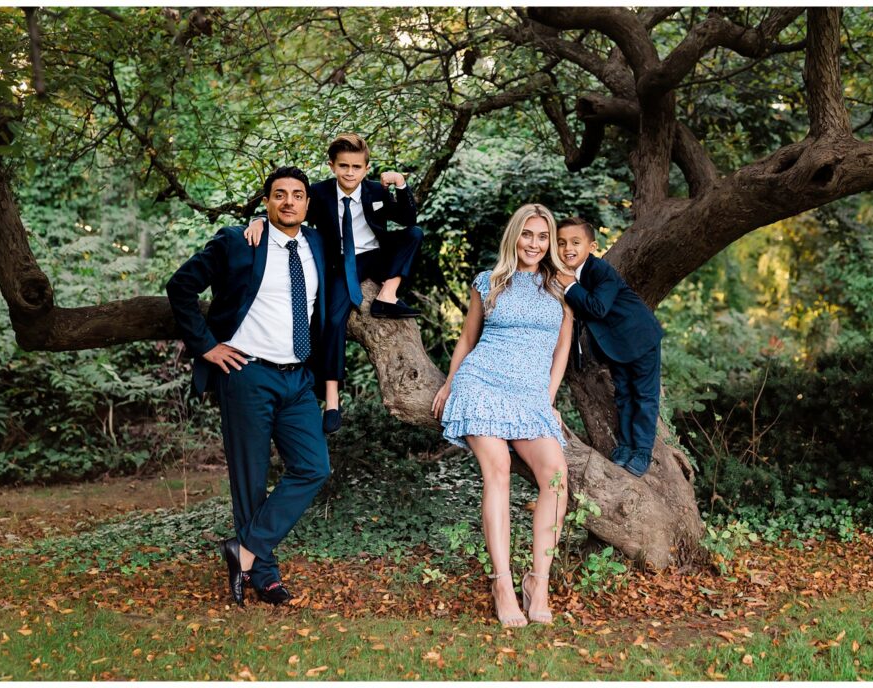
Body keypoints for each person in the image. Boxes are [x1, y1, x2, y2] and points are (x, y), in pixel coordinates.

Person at [167, 167, 330, 606]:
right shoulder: (238, 241)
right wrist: (206, 347)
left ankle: (243, 550)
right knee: (250, 480)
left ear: (308, 204)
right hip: (247, 374)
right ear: (267, 201)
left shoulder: (316, 243)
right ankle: (265, 576)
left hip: (298, 377)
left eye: (298, 195)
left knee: (315, 467)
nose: (289, 202)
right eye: (280, 195)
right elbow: (180, 287)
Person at [432, 203, 572, 627]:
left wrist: (547, 400)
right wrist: (450, 382)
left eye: (543, 236)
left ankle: (539, 582)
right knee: (499, 468)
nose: (535, 243)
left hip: (530, 395)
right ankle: (502, 584)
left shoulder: (562, 288)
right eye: (528, 234)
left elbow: (561, 349)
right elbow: (468, 337)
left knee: (556, 478)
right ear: (515, 236)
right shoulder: (489, 281)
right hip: (483, 383)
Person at [245, 133, 423, 436]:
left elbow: (407, 217)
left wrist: (401, 185)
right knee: (333, 320)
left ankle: (388, 294)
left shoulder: (376, 192)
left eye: (356, 166)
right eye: (343, 166)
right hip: (339, 262)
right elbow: (289, 210)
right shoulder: (319, 194)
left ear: (366, 168)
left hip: (375, 255)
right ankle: (331, 399)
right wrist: (259, 220)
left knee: (415, 234)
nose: (350, 172)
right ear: (332, 166)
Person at [556, 217, 664, 477]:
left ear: (591, 247)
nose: (567, 248)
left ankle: (642, 453)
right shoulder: (568, 274)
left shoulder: (600, 271)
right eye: (561, 243)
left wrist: (569, 285)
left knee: (644, 397)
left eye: (575, 242)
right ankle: (626, 445)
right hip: (616, 345)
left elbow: (597, 307)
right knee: (624, 394)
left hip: (640, 337)